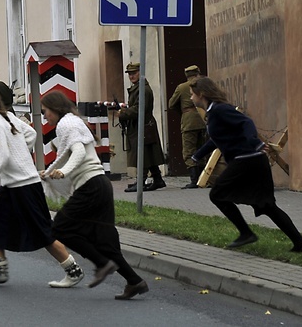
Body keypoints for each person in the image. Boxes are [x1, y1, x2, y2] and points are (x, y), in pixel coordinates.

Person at [0, 81, 84, 288]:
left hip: (23, 185)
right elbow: (30, 134)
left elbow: (0, 156)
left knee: (42, 232)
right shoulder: (6, 116)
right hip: (14, 185)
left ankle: (73, 270)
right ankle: (0, 269)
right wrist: (20, 153)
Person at [41, 91, 149, 300]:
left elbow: (79, 153)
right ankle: (135, 282)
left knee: (59, 228)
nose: (45, 116)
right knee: (106, 241)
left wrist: (64, 171)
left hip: (90, 186)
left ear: (55, 108)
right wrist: (48, 173)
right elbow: (76, 156)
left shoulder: (66, 124)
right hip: (101, 185)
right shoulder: (74, 122)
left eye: (45, 112)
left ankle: (101, 263)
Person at [190, 77, 302, 252]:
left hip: (247, 160)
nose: (191, 98)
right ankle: (301, 244)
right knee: (266, 205)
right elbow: (218, 139)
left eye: (192, 95)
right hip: (251, 161)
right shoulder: (213, 112)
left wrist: (255, 142)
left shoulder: (220, 110)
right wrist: (197, 155)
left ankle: (246, 233)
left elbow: (246, 123)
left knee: (217, 194)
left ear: (201, 94)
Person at [118, 62, 166, 192]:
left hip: (144, 126)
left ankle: (141, 182)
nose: (131, 76)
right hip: (141, 126)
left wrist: (123, 113)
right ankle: (158, 179)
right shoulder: (138, 87)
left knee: (143, 154)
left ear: (140, 72)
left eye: (134, 73)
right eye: (130, 74)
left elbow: (140, 109)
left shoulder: (143, 89)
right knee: (148, 153)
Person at [168, 65, 207, 188]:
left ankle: (194, 180)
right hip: (204, 119)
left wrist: (183, 112)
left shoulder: (182, 87)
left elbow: (171, 104)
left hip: (189, 121)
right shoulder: (204, 85)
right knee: (203, 148)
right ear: (197, 73)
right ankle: (204, 178)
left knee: (189, 151)